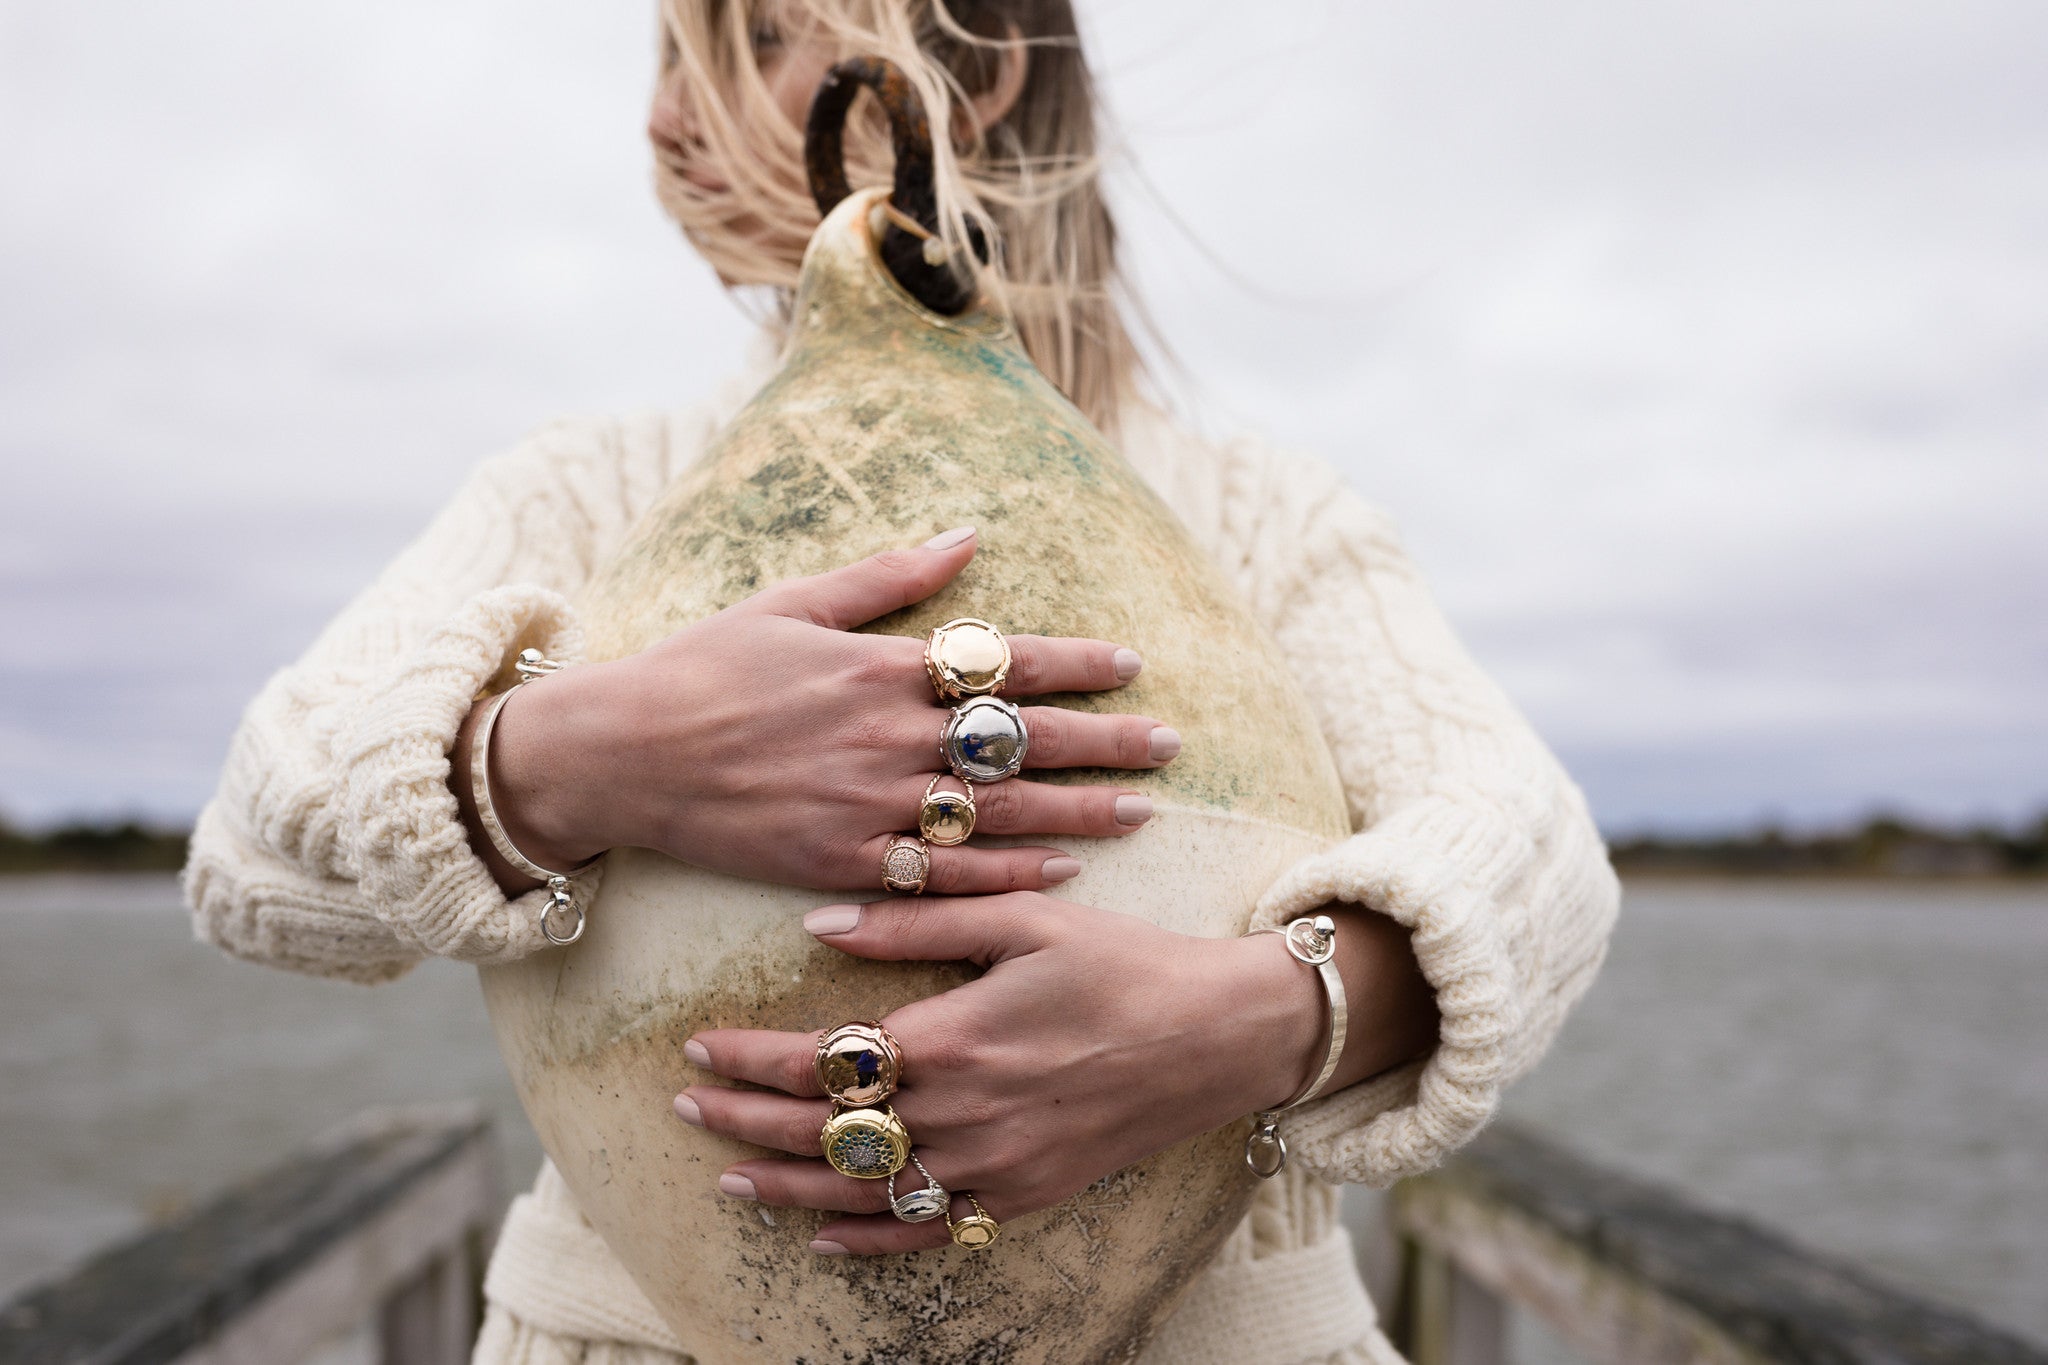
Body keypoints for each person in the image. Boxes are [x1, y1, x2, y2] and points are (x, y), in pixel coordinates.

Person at [183, 2, 1620, 1361]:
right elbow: (249, 855)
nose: (664, 119)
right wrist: (580, 755)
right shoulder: (596, 490)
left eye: (744, 36)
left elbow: (1537, 859)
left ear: (977, 60)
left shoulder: (1256, 518)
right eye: (664, 57)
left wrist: (1256, 1019)